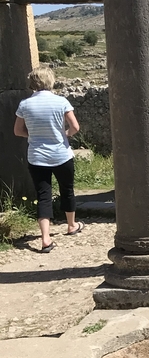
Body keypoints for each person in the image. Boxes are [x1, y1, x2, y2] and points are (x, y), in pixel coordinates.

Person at [14, 65, 84, 253]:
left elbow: (17, 130)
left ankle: (45, 239)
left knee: (43, 195)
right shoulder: (61, 101)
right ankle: (71, 225)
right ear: (50, 81)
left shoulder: (25, 105)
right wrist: (65, 135)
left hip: (37, 156)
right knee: (67, 190)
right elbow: (75, 127)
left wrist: (33, 135)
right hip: (61, 154)